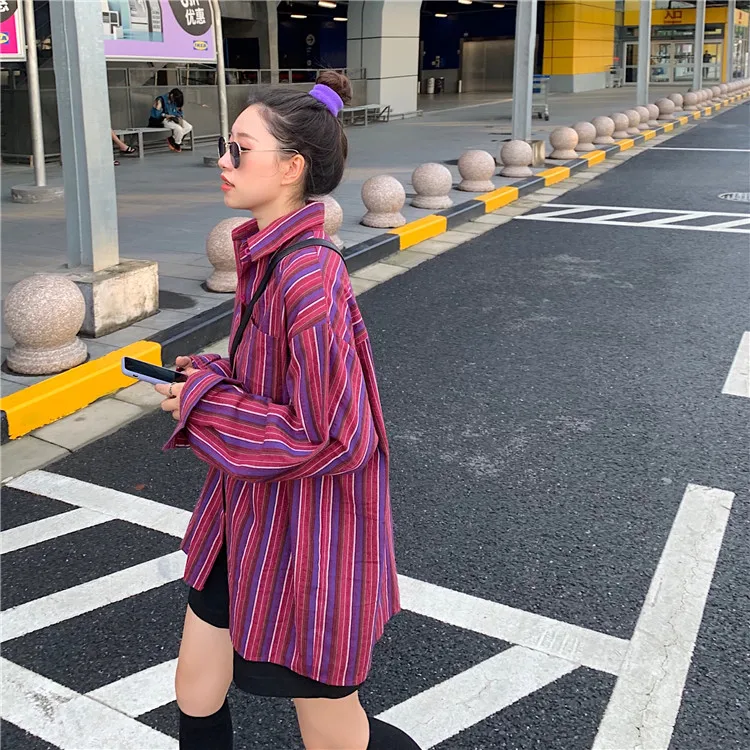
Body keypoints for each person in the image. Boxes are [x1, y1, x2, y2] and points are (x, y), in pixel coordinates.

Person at [154, 70, 420, 750]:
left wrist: (205, 405)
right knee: (195, 687)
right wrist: (208, 377)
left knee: (331, 729)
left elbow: (334, 433)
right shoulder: (266, 256)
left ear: (292, 167)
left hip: (303, 535)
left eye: (240, 149)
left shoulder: (307, 275)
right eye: (226, 145)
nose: (223, 160)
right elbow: (270, 385)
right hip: (243, 515)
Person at [149, 87, 193, 152]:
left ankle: (172, 139)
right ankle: (177, 143)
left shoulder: (175, 100)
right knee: (178, 129)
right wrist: (166, 116)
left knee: (189, 127)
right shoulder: (160, 100)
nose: (175, 102)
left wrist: (179, 118)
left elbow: (179, 112)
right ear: (172, 95)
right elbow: (156, 115)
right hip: (161, 120)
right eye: (175, 100)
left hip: (173, 118)